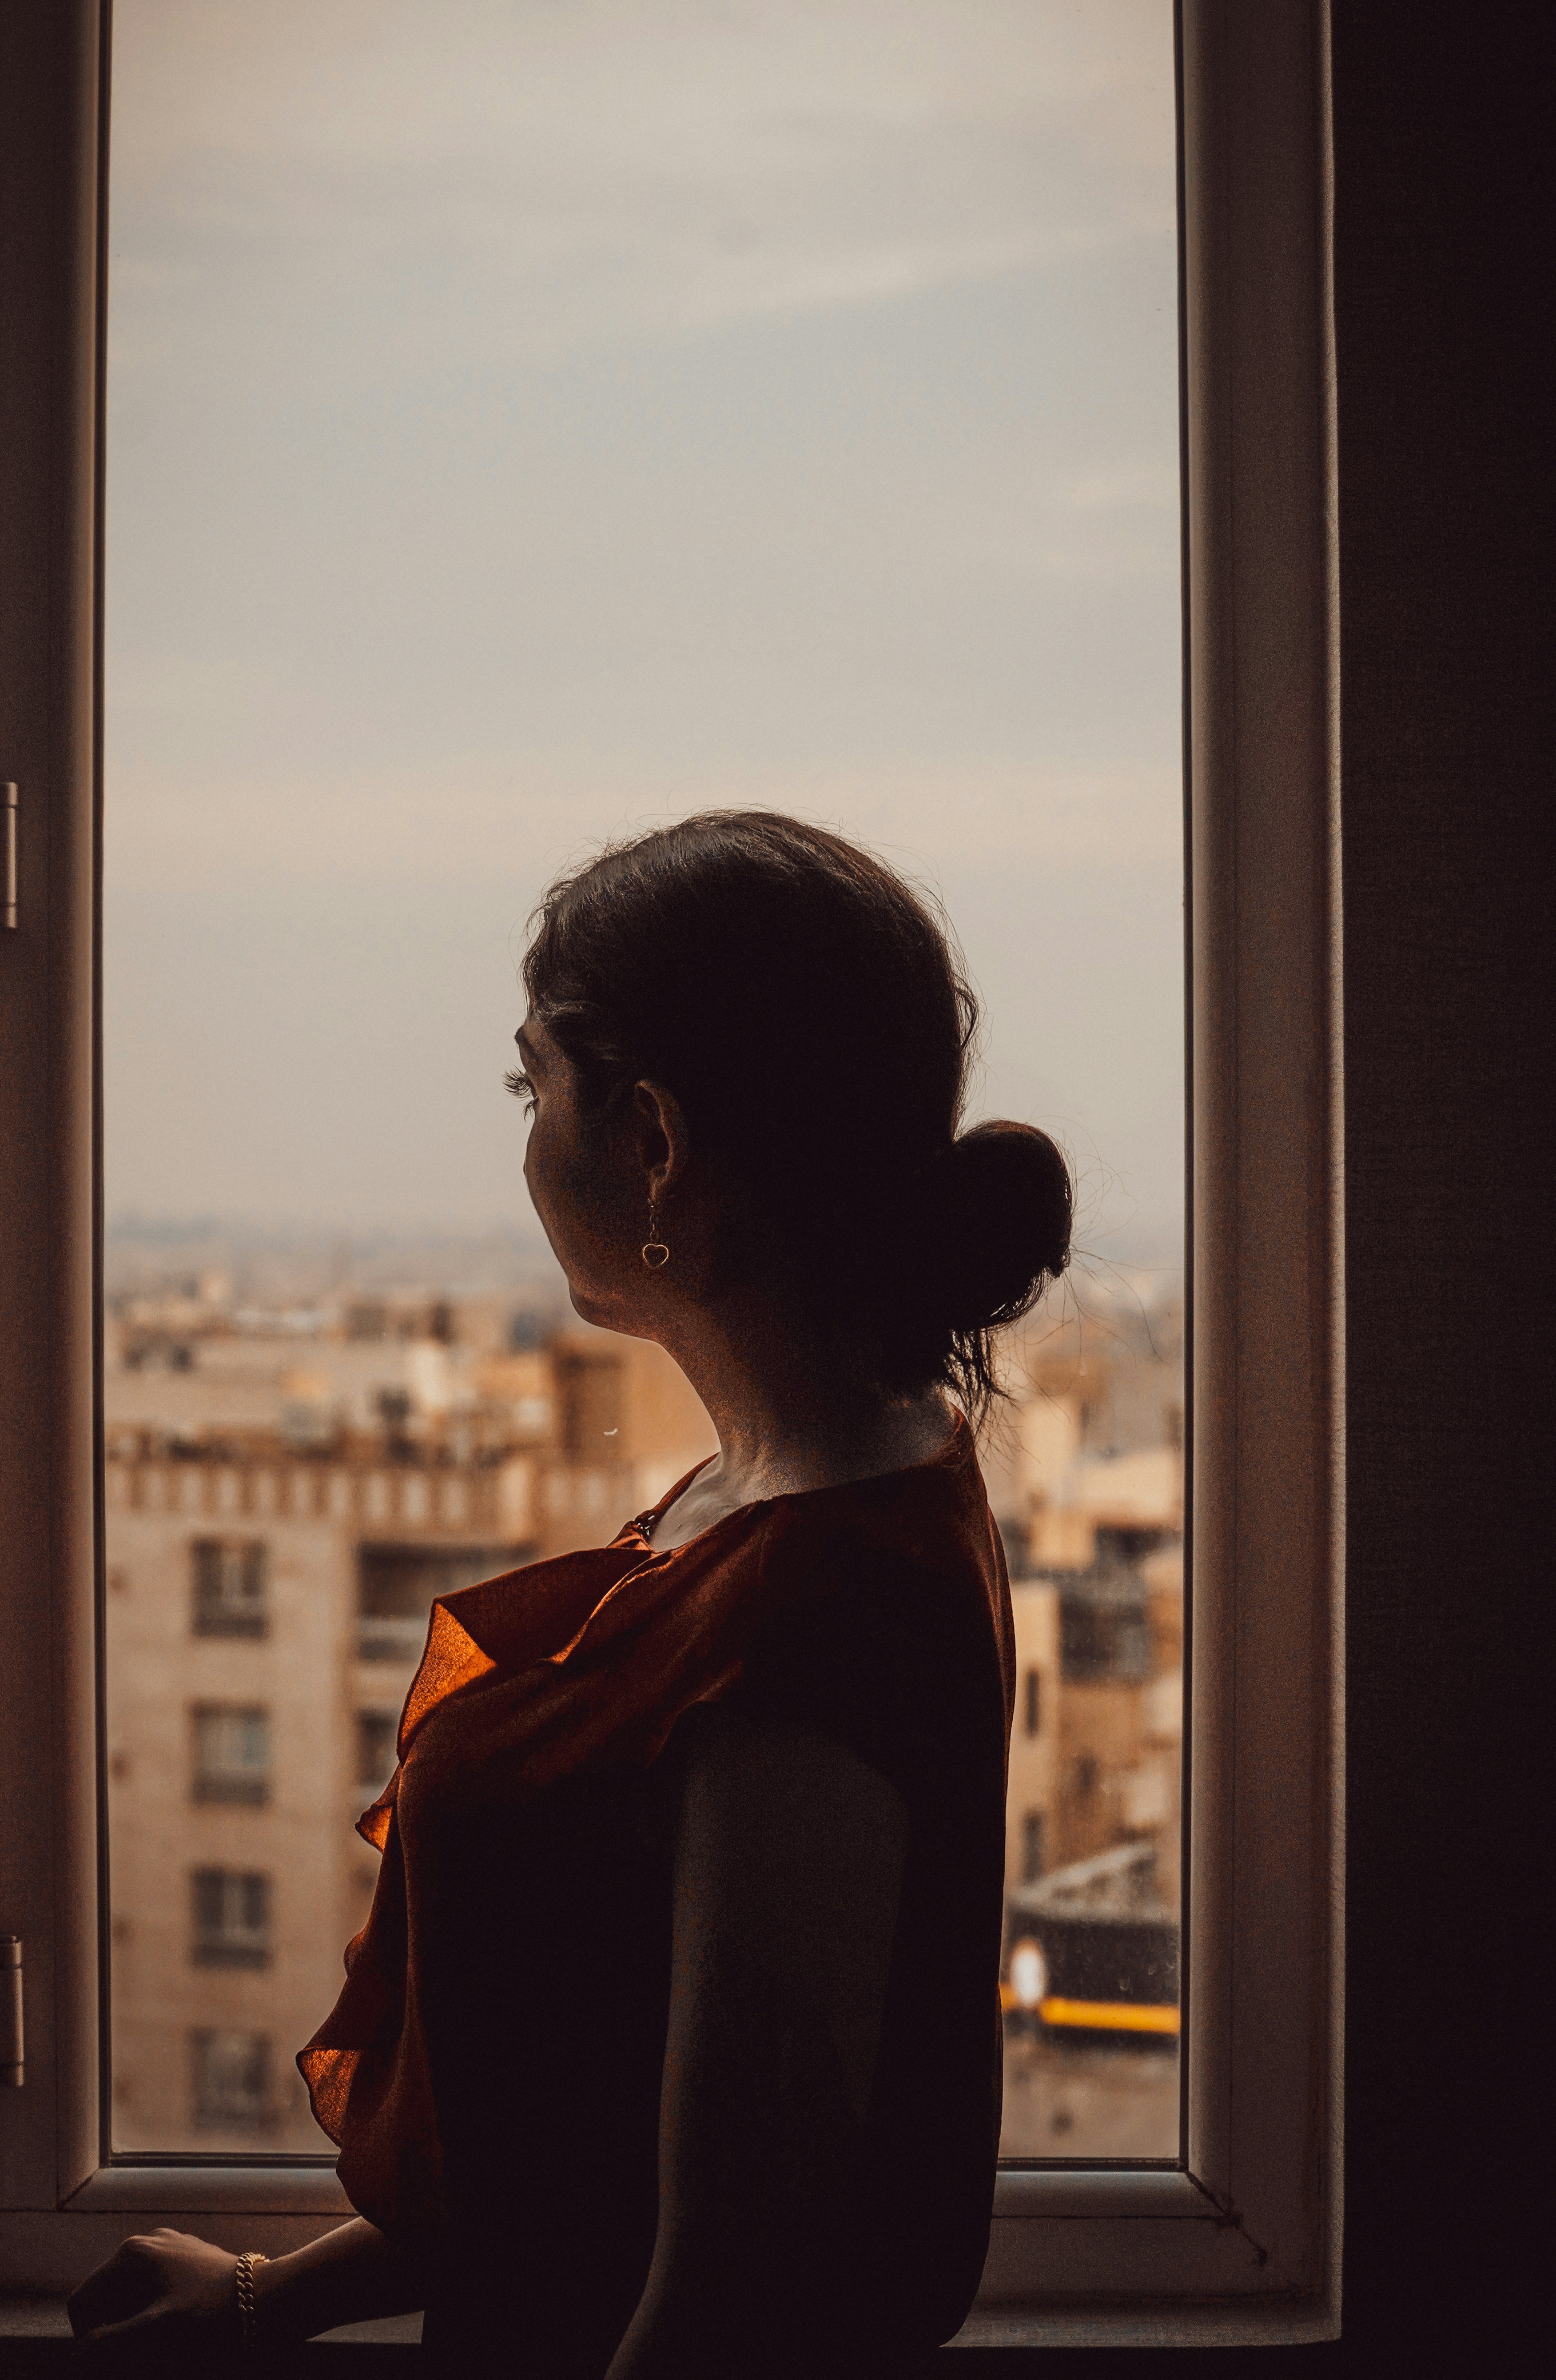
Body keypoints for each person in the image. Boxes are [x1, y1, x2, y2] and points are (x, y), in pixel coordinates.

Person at [70, 811, 1072, 2376]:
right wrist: (278, 2299)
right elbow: (575, 2128)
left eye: (532, 1082)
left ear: (656, 1142)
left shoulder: (817, 1613)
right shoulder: (788, 1485)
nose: (524, 1134)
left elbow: (723, 2301)